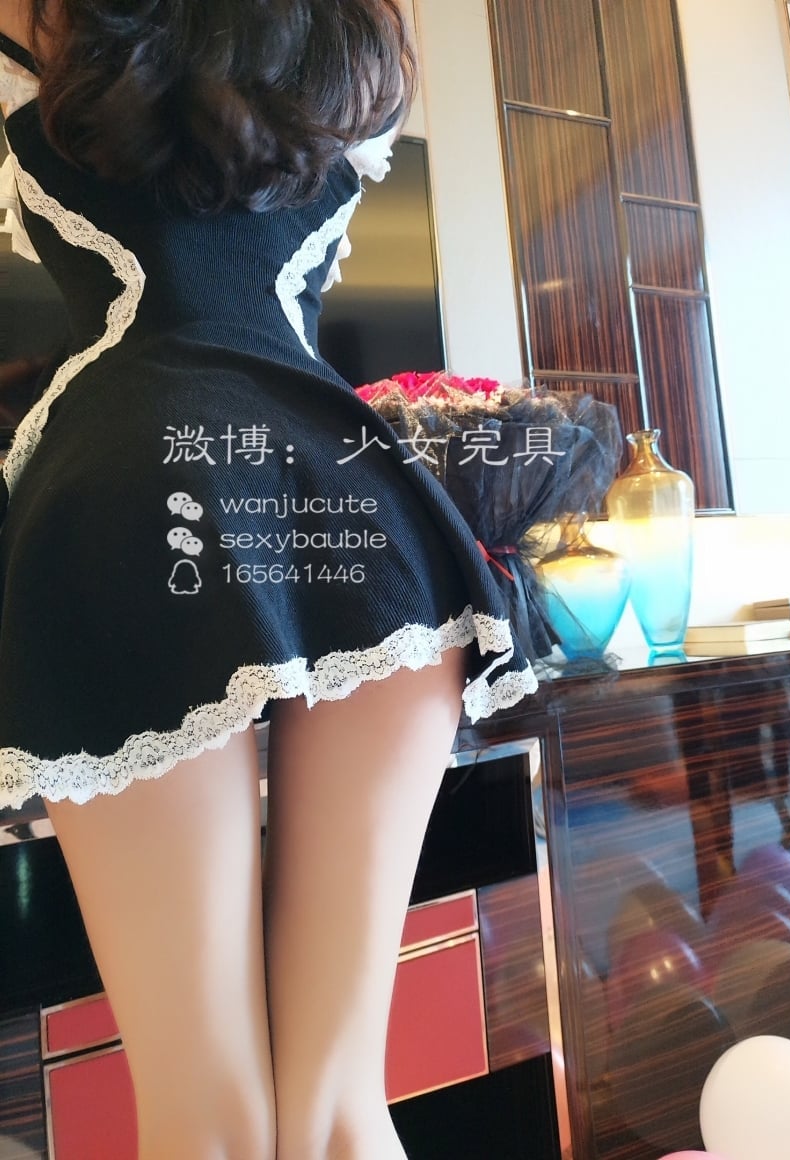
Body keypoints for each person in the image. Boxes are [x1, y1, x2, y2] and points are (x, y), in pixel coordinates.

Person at [0, 3, 537, 1157]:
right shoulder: (326, 80)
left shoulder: (62, 76)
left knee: (208, 1119)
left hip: (131, 487)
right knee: (342, 1104)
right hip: (356, 496)